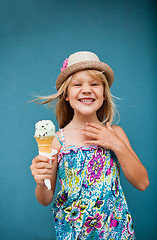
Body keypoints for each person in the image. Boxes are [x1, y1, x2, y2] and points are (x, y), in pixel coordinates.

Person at [30, 51, 149, 239]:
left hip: (115, 233)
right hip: (74, 233)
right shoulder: (58, 140)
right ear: (67, 95)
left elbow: (142, 183)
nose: (86, 89)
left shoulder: (116, 134)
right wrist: (40, 181)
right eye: (77, 84)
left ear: (103, 95)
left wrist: (117, 145)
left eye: (94, 84)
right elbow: (45, 199)